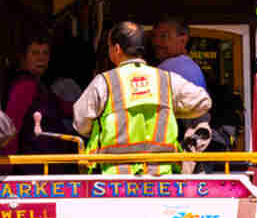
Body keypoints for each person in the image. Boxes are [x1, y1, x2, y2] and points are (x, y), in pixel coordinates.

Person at [72, 21, 212, 175]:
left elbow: (80, 123)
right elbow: (203, 102)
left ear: (116, 49)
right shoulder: (166, 79)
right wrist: (169, 110)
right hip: (161, 178)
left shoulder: (105, 82)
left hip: (115, 179)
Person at [3, 36, 75, 172]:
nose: (41, 58)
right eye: (35, 53)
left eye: (45, 53)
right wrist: (7, 164)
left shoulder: (40, 85)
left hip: (48, 162)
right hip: (33, 166)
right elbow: (12, 125)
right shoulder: (24, 85)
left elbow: (63, 107)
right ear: (24, 58)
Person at [152, 15, 212, 167]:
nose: (156, 42)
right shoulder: (188, 65)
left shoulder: (174, 66)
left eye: (164, 36)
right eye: (155, 37)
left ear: (183, 39)